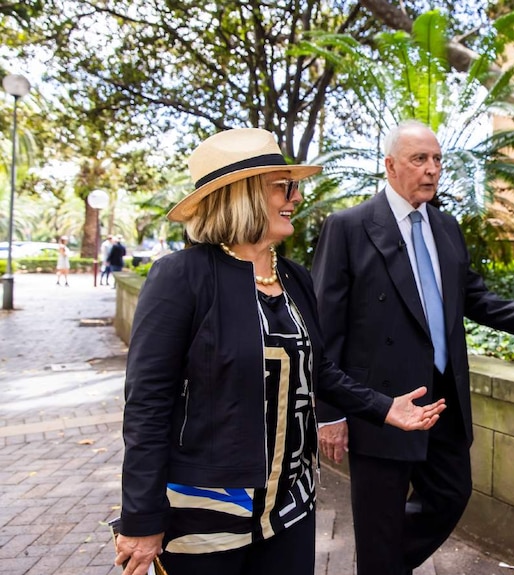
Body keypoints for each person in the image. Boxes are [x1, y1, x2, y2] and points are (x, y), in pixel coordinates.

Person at [114, 127, 446, 575]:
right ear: (243, 195)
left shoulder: (292, 277)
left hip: (291, 504)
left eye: (295, 185)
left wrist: (385, 408)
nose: (296, 196)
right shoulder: (181, 278)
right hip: (206, 513)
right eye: (283, 186)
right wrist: (140, 517)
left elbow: (319, 369)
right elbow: (147, 406)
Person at [311, 120, 514, 575]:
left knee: (450, 495)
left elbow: (474, 298)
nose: (432, 169)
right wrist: (331, 413)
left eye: (437, 159)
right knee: (378, 524)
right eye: (419, 159)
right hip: (381, 406)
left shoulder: (445, 227)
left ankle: (380, 564)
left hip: (441, 399)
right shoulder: (349, 227)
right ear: (389, 166)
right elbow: (325, 328)